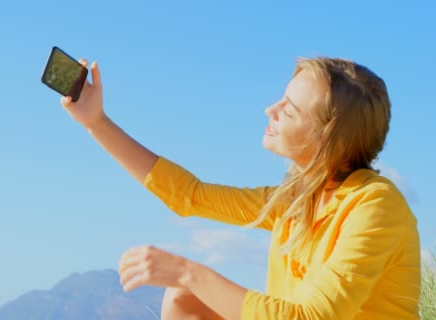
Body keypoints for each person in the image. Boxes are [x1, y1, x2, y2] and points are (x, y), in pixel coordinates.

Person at [58, 57, 421, 319]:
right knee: (185, 299)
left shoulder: (375, 206)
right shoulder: (295, 200)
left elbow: (313, 318)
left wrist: (189, 271)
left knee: (190, 285)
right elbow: (189, 196)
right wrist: (97, 123)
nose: (270, 109)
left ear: (328, 139)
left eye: (289, 111)